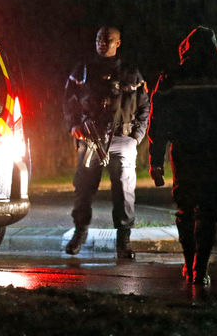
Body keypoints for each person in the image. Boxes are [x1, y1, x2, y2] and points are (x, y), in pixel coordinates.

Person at [148, 26, 217, 286]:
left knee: (185, 208)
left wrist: (155, 160)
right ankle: (200, 268)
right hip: (216, 152)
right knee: (207, 209)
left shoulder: (172, 76)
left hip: (184, 152)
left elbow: (157, 120)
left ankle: (189, 261)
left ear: (186, 48)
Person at [63, 26, 150, 259]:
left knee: (123, 189)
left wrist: (136, 137)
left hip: (122, 138)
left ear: (118, 43)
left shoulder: (131, 72)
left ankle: (123, 241)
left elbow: (144, 106)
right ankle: (79, 233)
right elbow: (69, 101)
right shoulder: (82, 70)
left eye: (108, 39)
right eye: (99, 39)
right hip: (91, 138)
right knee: (83, 188)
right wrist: (73, 126)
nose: (102, 43)